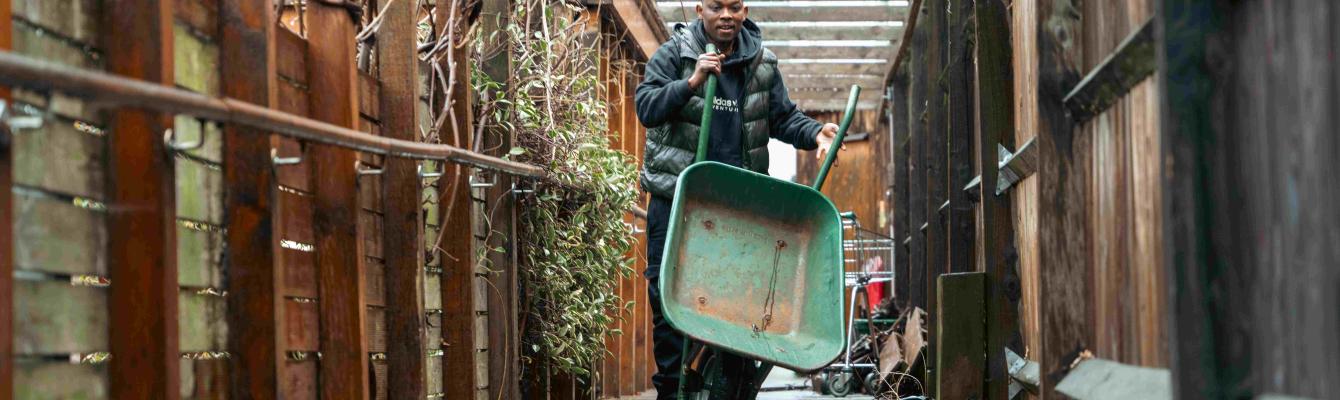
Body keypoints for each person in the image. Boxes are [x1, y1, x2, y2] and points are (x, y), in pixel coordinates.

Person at [634, 0, 842, 397]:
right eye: (716, 6)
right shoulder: (674, 54)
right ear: (699, 9)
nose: (725, 15)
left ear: (745, 10)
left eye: (735, 6)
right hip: (679, 202)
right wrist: (691, 82)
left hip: (737, 208)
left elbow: (781, 117)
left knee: (739, 307)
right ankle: (673, 390)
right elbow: (647, 107)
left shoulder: (761, 63)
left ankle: (731, 389)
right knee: (669, 301)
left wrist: (815, 133)